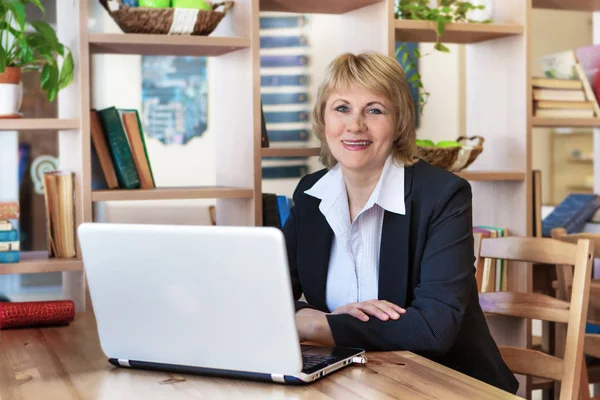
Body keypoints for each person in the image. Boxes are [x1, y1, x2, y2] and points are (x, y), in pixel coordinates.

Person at [282, 51, 519, 394]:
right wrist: (315, 318)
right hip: (352, 383)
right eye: (342, 108)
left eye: (374, 110)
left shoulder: (442, 195)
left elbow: (433, 329)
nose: (355, 125)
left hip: (448, 386)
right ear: (323, 118)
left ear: (399, 123)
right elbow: (271, 300)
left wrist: (321, 325)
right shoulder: (311, 194)